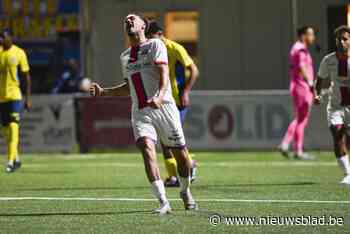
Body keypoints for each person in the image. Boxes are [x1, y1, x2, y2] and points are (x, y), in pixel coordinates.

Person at [89, 13, 197, 214]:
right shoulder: (124, 56)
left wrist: (158, 96)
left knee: (181, 156)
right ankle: (163, 201)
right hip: (141, 111)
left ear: (143, 26)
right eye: (126, 20)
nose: (128, 20)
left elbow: (164, 75)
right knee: (147, 150)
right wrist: (104, 91)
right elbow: (128, 86)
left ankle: (185, 190)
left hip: (164, 106)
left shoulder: (156, 45)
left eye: (133, 19)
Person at [146, 21, 199, 187]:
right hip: (163, 100)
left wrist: (185, 91)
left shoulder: (175, 48)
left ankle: (190, 166)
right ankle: (174, 177)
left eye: (151, 37)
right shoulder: (151, 51)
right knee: (165, 141)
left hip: (177, 101)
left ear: (160, 34)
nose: (150, 41)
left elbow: (194, 70)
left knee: (173, 140)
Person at [314, 25, 350, 185]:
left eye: (345, 39)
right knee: (337, 135)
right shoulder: (329, 60)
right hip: (336, 106)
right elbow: (320, 80)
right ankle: (348, 174)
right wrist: (317, 94)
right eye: (339, 39)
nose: (342, 42)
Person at [279, 26, 316, 160]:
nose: (313, 37)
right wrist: (310, 83)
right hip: (302, 87)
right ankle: (296, 149)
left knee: (300, 119)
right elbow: (301, 67)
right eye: (310, 34)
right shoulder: (300, 48)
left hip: (298, 86)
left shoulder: (298, 48)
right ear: (302, 35)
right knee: (301, 119)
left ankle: (287, 145)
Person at [0, 29, 31, 173]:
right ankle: (16, 158)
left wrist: (28, 98)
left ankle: (11, 161)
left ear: (10, 37)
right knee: (6, 131)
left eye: (3, 37)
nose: (1, 40)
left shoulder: (19, 53)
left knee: (14, 126)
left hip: (15, 96)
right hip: (1, 98)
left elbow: (26, 77)